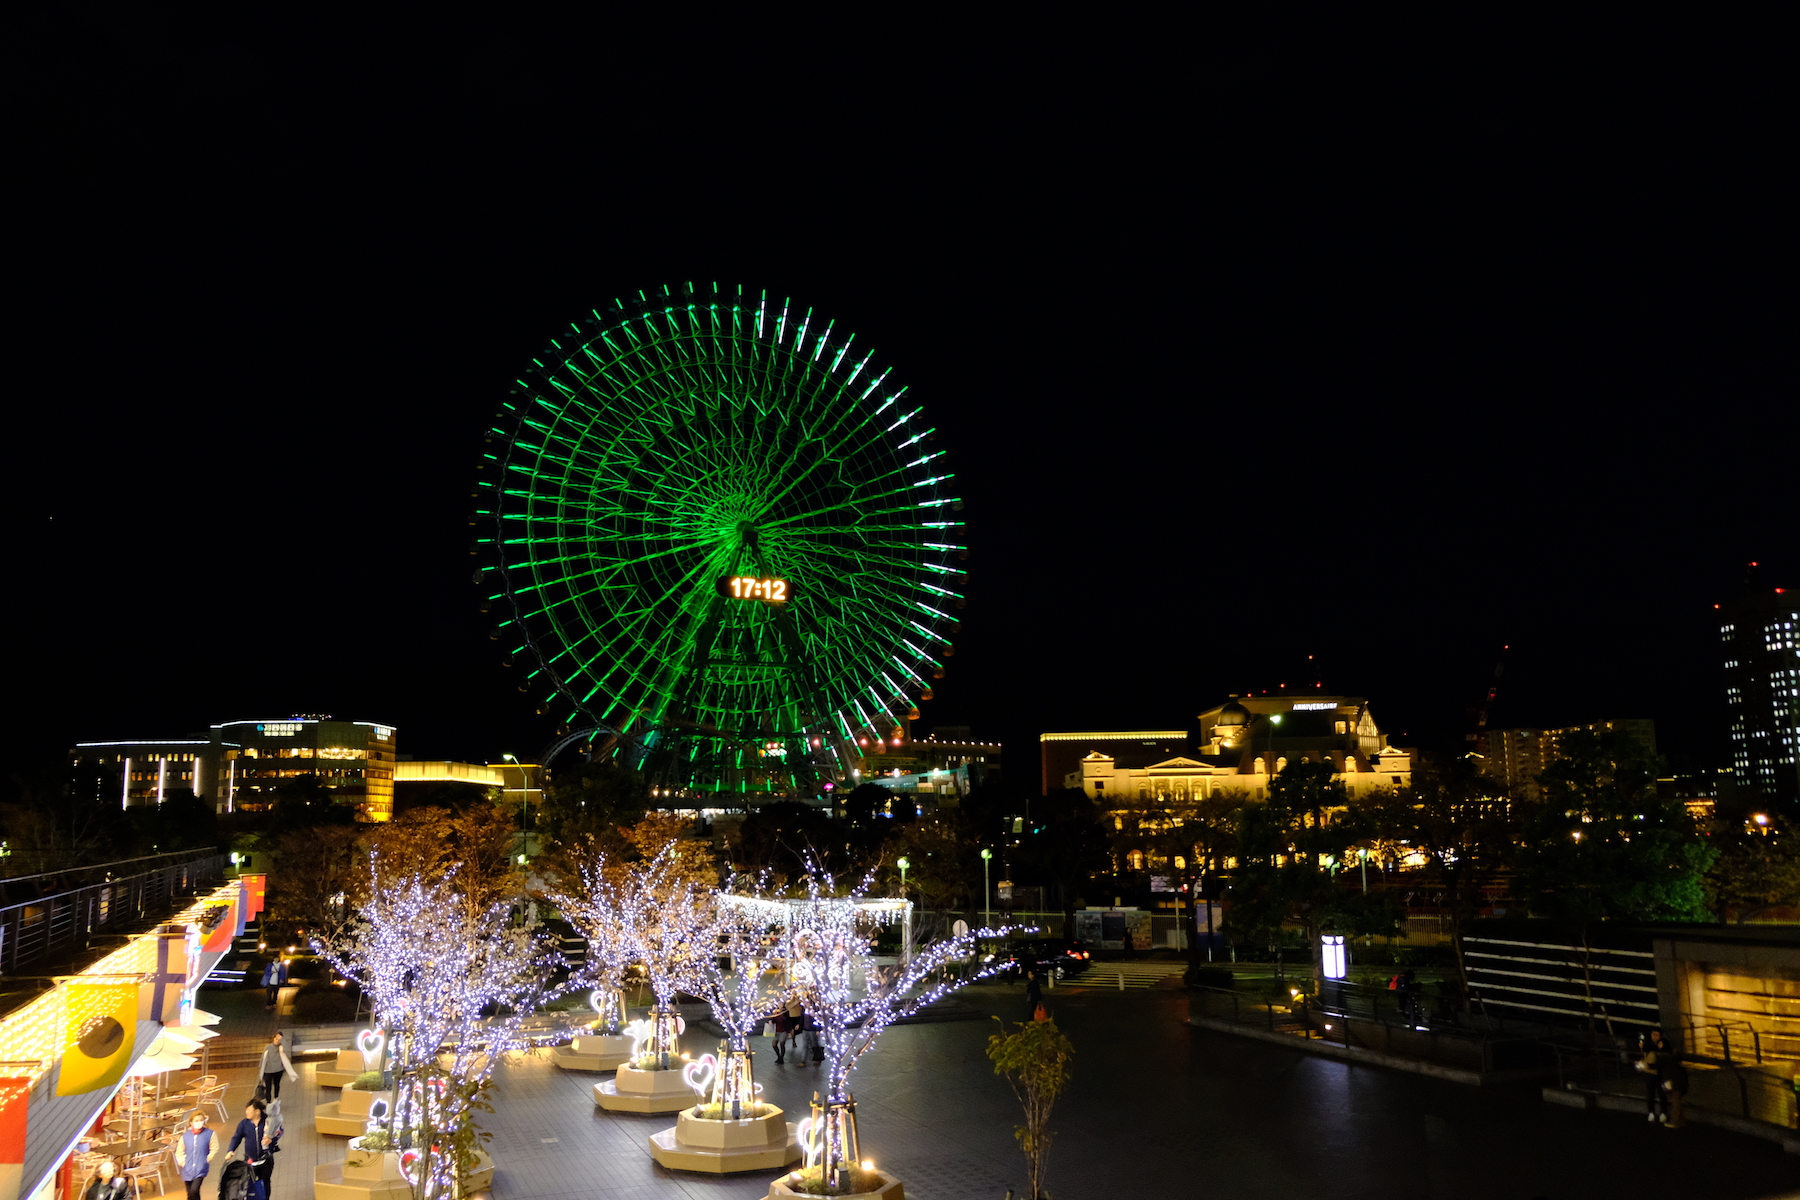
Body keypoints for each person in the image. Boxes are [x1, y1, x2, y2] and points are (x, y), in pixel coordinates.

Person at [228, 1099, 268, 1200]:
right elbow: (237, 1137)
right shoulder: (244, 1124)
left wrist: (273, 1139)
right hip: (250, 1161)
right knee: (250, 1184)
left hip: (266, 1160)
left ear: (257, 1111)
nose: (247, 1113)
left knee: (266, 1183)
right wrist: (231, 1150)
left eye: (249, 1111)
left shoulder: (268, 1122)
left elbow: (278, 1131)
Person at [173, 1110, 217, 1200]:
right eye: (196, 1120)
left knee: (194, 1190)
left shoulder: (210, 1134)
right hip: (187, 1169)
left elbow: (214, 1148)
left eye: (201, 1120)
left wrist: (207, 1160)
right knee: (190, 1194)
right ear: (191, 1122)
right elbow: (179, 1151)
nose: (199, 1122)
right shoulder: (185, 1136)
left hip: (201, 1168)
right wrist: (182, 1162)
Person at [1638, 1030, 1670, 1123]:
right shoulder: (1647, 1043)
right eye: (1653, 1034)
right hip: (1649, 1072)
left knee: (1662, 1093)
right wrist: (1641, 1047)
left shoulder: (1664, 1043)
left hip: (1660, 1072)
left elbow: (1667, 1055)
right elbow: (1643, 1054)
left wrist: (1660, 1048)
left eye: (1657, 1035)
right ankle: (1651, 1112)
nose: (1655, 1036)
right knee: (1650, 1093)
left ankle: (1663, 1113)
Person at [258, 1032, 298, 1101]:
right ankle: (268, 1102)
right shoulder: (268, 1047)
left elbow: (287, 1048)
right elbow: (263, 1058)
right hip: (268, 1070)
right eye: (276, 1038)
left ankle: (275, 1098)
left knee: (277, 1085)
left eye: (279, 1039)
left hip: (278, 1070)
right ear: (273, 1039)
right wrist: (261, 1068)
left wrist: (282, 1039)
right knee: (268, 1087)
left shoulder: (281, 1048)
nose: (277, 1040)